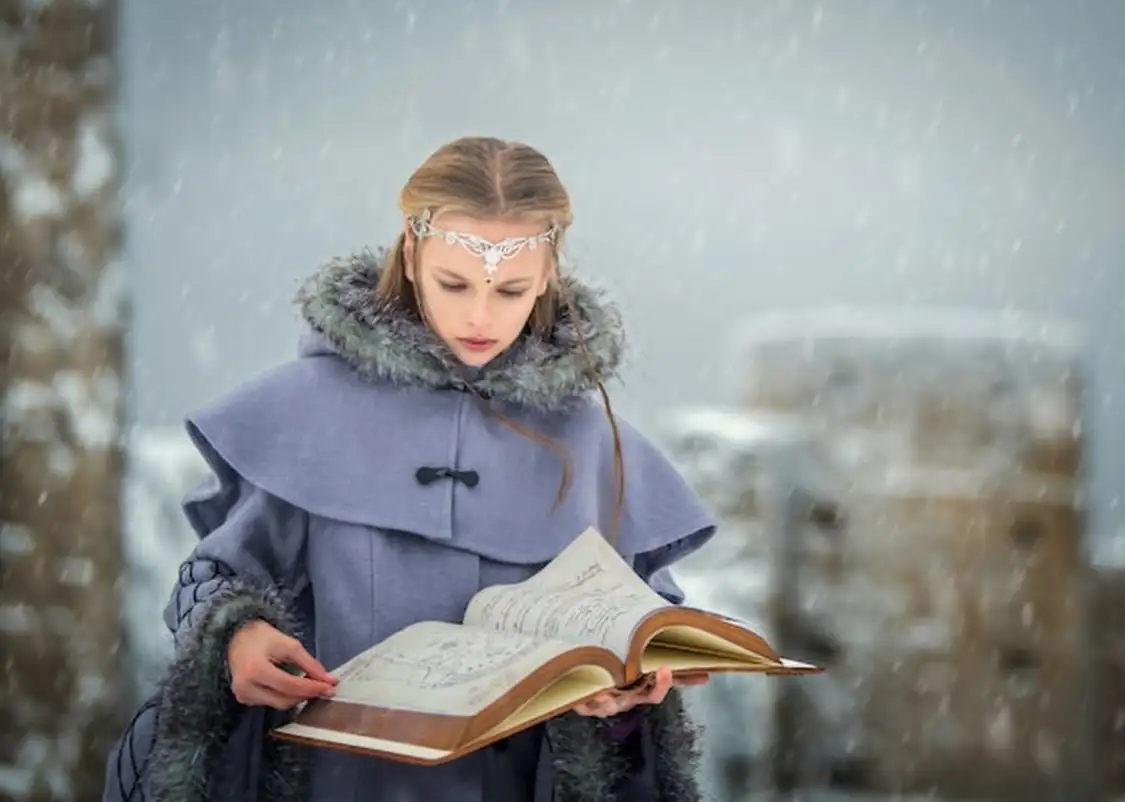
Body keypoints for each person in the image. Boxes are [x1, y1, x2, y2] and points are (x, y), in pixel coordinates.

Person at [102, 137, 720, 802]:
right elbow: (215, 578)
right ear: (412, 252)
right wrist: (238, 639)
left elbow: (640, 629)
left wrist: (628, 690)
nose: (480, 316)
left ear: (546, 276)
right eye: (454, 283)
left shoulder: (593, 442)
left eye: (510, 290)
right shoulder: (311, 411)